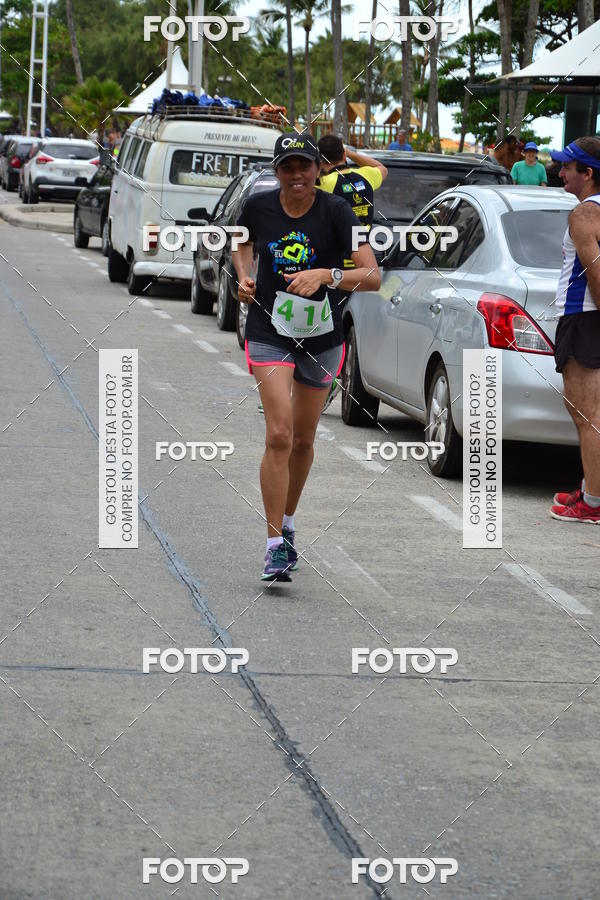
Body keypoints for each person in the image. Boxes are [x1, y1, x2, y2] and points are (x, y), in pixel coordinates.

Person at [232, 132, 380, 580]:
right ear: (276, 172)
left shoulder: (339, 212)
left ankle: (289, 522)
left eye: (304, 166)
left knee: (303, 439)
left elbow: (372, 275)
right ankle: (275, 543)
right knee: (278, 433)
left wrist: (326, 274)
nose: (296, 175)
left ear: (319, 169)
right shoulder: (257, 207)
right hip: (269, 330)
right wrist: (244, 276)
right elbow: (241, 243)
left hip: (322, 337)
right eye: (286, 167)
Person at [548, 137, 600, 523]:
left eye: (569, 167)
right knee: (587, 412)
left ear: (589, 174)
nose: (562, 172)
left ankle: (593, 504)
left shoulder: (584, 214)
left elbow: (595, 272)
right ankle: (590, 488)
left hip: (583, 317)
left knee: (588, 415)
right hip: (585, 319)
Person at [316, 134, 387, 409]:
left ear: (321, 162)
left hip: (334, 268)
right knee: (342, 326)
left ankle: (326, 381)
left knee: (327, 328)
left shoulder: (327, 182)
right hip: (362, 266)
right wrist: (352, 154)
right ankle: (328, 379)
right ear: (342, 154)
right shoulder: (367, 176)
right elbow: (383, 168)